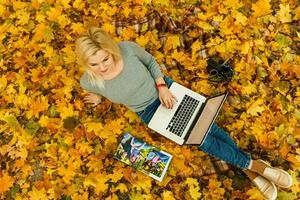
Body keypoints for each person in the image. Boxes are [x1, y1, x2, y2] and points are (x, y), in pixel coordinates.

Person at [75, 27, 292, 200]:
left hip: (167, 91)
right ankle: (253, 167)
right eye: (95, 64)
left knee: (206, 129)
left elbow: (150, 62)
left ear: (112, 50)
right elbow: (97, 87)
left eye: (106, 59)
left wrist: (161, 87)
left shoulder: (127, 50)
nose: (102, 67)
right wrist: (98, 97)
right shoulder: (90, 80)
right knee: (201, 138)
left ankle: (252, 168)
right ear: (86, 64)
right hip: (149, 113)